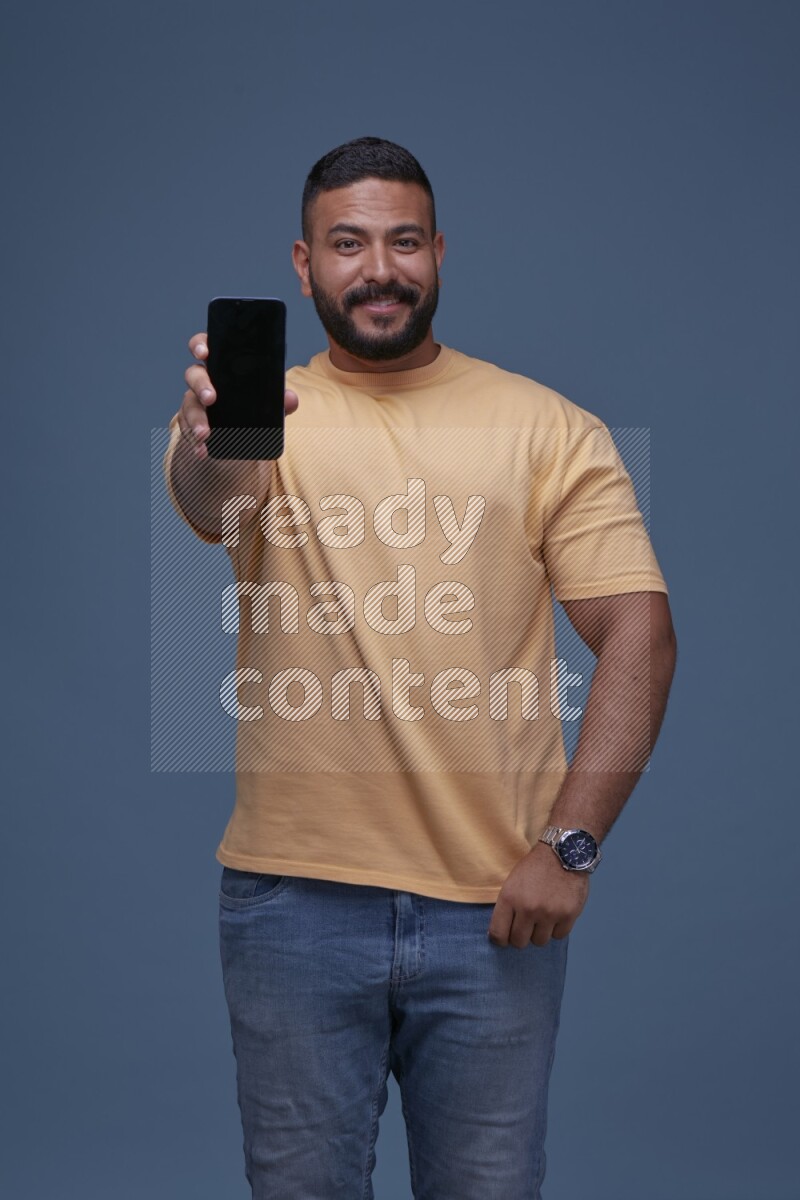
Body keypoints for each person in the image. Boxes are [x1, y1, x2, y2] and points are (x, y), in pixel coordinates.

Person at [163, 136, 677, 1199]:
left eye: (403, 241)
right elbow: (213, 507)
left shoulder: (548, 429)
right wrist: (208, 442)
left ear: (439, 253)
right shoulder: (261, 422)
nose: (379, 269)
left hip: (492, 911)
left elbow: (638, 633)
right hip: (291, 906)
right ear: (304, 263)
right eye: (347, 243)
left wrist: (571, 846)